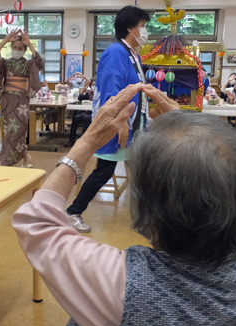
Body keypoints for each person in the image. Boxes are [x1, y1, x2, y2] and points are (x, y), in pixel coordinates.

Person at [13, 83, 236, 326]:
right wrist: (192, 130)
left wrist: (88, 141)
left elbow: (38, 221)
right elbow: (230, 193)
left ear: (148, 214)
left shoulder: (123, 286)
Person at [65, 6, 151, 233]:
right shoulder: (115, 52)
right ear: (130, 28)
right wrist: (120, 122)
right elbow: (112, 91)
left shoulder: (132, 53)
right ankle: (73, 212)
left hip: (135, 124)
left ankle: (149, 216)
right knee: (104, 170)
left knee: (142, 171)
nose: (145, 31)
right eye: (142, 26)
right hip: (120, 124)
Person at [0, 29, 44, 166]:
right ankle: (25, 156)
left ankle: (6, 160)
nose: (17, 50)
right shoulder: (5, 63)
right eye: (15, 47)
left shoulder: (28, 64)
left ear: (24, 50)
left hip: (21, 101)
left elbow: (39, 63)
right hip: (7, 99)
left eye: (20, 48)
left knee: (19, 130)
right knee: (10, 131)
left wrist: (30, 44)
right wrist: (6, 39)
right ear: (11, 48)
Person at [64, 79, 96, 148]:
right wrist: (83, 90)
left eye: (95, 85)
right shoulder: (88, 94)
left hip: (94, 113)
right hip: (86, 112)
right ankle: (71, 139)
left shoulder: (99, 94)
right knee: (76, 117)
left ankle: (83, 140)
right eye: (93, 85)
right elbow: (80, 98)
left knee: (86, 118)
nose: (94, 86)